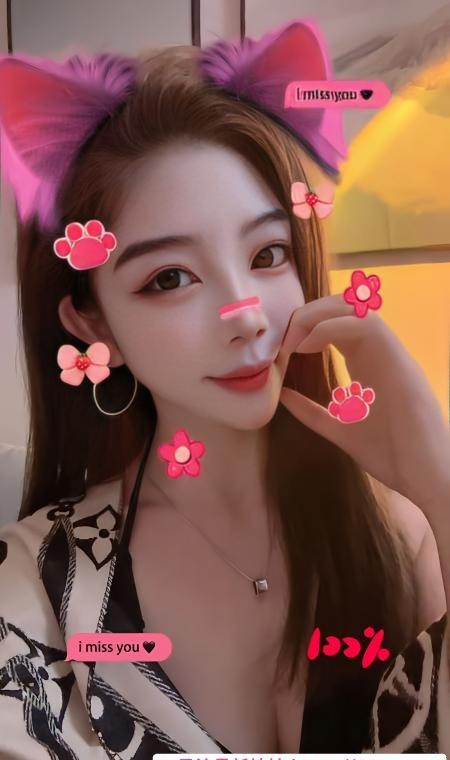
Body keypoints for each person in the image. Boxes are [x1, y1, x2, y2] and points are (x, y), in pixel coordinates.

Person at [0, 18, 449, 758]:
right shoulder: (37, 584)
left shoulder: (407, 533)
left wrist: (439, 482)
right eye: (170, 277)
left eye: (269, 254)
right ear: (93, 323)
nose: (245, 317)